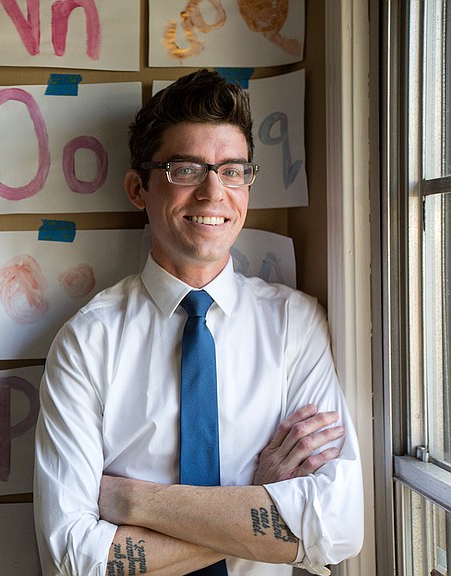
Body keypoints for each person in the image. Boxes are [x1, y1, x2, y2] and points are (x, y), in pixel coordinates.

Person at [33, 69, 364, 576]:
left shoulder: (295, 325)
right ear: (138, 188)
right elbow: (74, 561)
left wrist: (132, 502)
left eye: (233, 170)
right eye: (187, 169)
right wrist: (264, 500)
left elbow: (339, 526)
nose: (214, 194)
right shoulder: (87, 341)